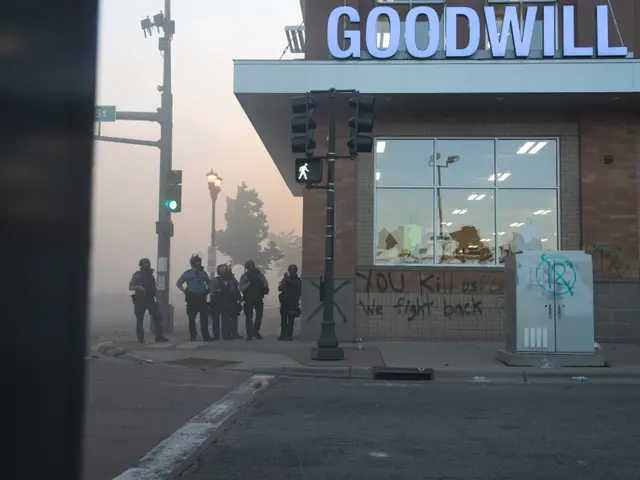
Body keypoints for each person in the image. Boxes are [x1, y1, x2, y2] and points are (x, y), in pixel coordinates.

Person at [128, 258, 169, 343]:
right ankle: (140, 338)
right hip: (140, 299)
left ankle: (159, 336)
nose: (147, 266)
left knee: (157, 317)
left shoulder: (150, 275)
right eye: (145, 264)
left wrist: (158, 296)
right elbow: (130, 287)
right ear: (141, 266)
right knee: (140, 319)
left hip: (150, 299)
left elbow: (154, 287)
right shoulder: (137, 275)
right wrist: (138, 287)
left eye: (147, 264)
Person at [176, 254, 212, 341]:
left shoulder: (203, 273)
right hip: (192, 298)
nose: (198, 264)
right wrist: (185, 291)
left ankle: (206, 336)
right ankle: (193, 335)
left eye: (199, 262)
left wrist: (208, 290)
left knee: (204, 318)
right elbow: (178, 283)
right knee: (191, 318)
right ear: (192, 263)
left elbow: (209, 283)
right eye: (197, 262)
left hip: (201, 298)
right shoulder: (187, 273)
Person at [210, 264, 243, 340]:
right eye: (226, 271)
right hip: (217, 302)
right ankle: (216, 335)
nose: (228, 273)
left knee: (226, 319)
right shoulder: (215, 280)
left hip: (227, 302)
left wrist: (238, 297)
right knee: (216, 320)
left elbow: (236, 289)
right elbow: (211, 290)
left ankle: (226, 335)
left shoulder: (231, 280)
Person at [239, 260, 269, 340]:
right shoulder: (260, 275)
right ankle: (254, 332)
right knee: (257, 316)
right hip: (257, 298)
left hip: (250, 298)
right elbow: (266, 285)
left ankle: (251, 333)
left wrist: (248, 284)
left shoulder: (245, 276)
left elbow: (241, 288)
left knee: (250, 317)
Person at [278, 264, 302, 341]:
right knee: (287, 320)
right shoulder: (297, 281)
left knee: (287, 320)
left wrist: (285, 280)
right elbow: (280, 288)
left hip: (289, 302)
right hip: (288, 302)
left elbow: (281, 288)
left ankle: (285, 335)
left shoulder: (290, 280)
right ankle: (286, 335)